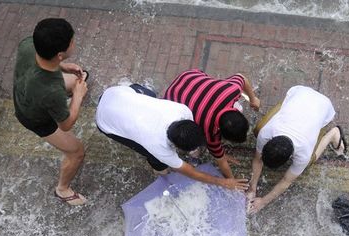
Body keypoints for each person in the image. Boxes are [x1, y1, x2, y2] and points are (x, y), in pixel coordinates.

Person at [96, 85, 250, 191]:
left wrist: (219, 154)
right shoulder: (159, 146)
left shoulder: (182, 110)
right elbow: (192, 172)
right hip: (105, 119)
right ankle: (160, 172)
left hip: (117, 93)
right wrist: (224, 182)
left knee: (151, 95)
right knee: (155, 159)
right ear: (177, 147)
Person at [13, 18, 88, 206]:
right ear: (61, 54)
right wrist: (78, 96)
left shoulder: (28, 44)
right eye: (72, 40)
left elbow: (44, 61)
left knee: (73, 80)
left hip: (26, 88)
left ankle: (72, 85)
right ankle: (62, 190)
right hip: (34, 117)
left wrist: (62, 67)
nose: (74, 42)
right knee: (77, 151)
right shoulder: (52, 91)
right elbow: (66, 123)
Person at [246, 85, 347, 214]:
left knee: (309, 162)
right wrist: (252, 188)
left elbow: (286, 181)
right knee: (258, 129)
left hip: (324, 107)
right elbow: (257, 159)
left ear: (290, 157)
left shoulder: (303, 153)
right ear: (270, 141)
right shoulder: (266, 133)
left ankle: (333, 134)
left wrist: (263, 201)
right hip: (298, 93)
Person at [163, 69, 261, 179]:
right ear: (219, 131)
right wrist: (231, 181)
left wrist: (253, 99)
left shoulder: (232, 90)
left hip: (189, 77)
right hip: (171, 100)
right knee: (193, 139)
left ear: (236, 112)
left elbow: (241, 77)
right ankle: (194, 152)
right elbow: (221, 162)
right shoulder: (209, 133)